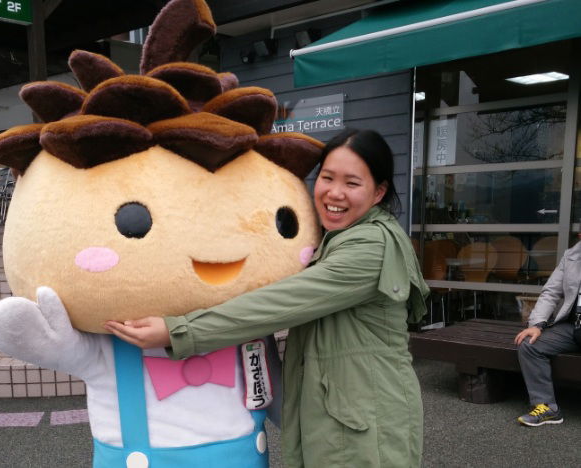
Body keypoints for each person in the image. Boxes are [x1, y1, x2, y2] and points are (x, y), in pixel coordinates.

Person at [106, 128, 430, 467]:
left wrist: (180, 330)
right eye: (327, 177)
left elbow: (283, 302)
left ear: (378, 192)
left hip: (366, 425)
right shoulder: (340, 237)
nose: (335, 193)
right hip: (348, 415)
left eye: (352, 183)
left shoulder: (371, 247)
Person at [514, 240, 581, 426]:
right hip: (574, 326)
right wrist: (536, 324)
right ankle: (546, 407)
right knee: (530, 345)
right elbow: (551, 292)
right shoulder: (572, 255)